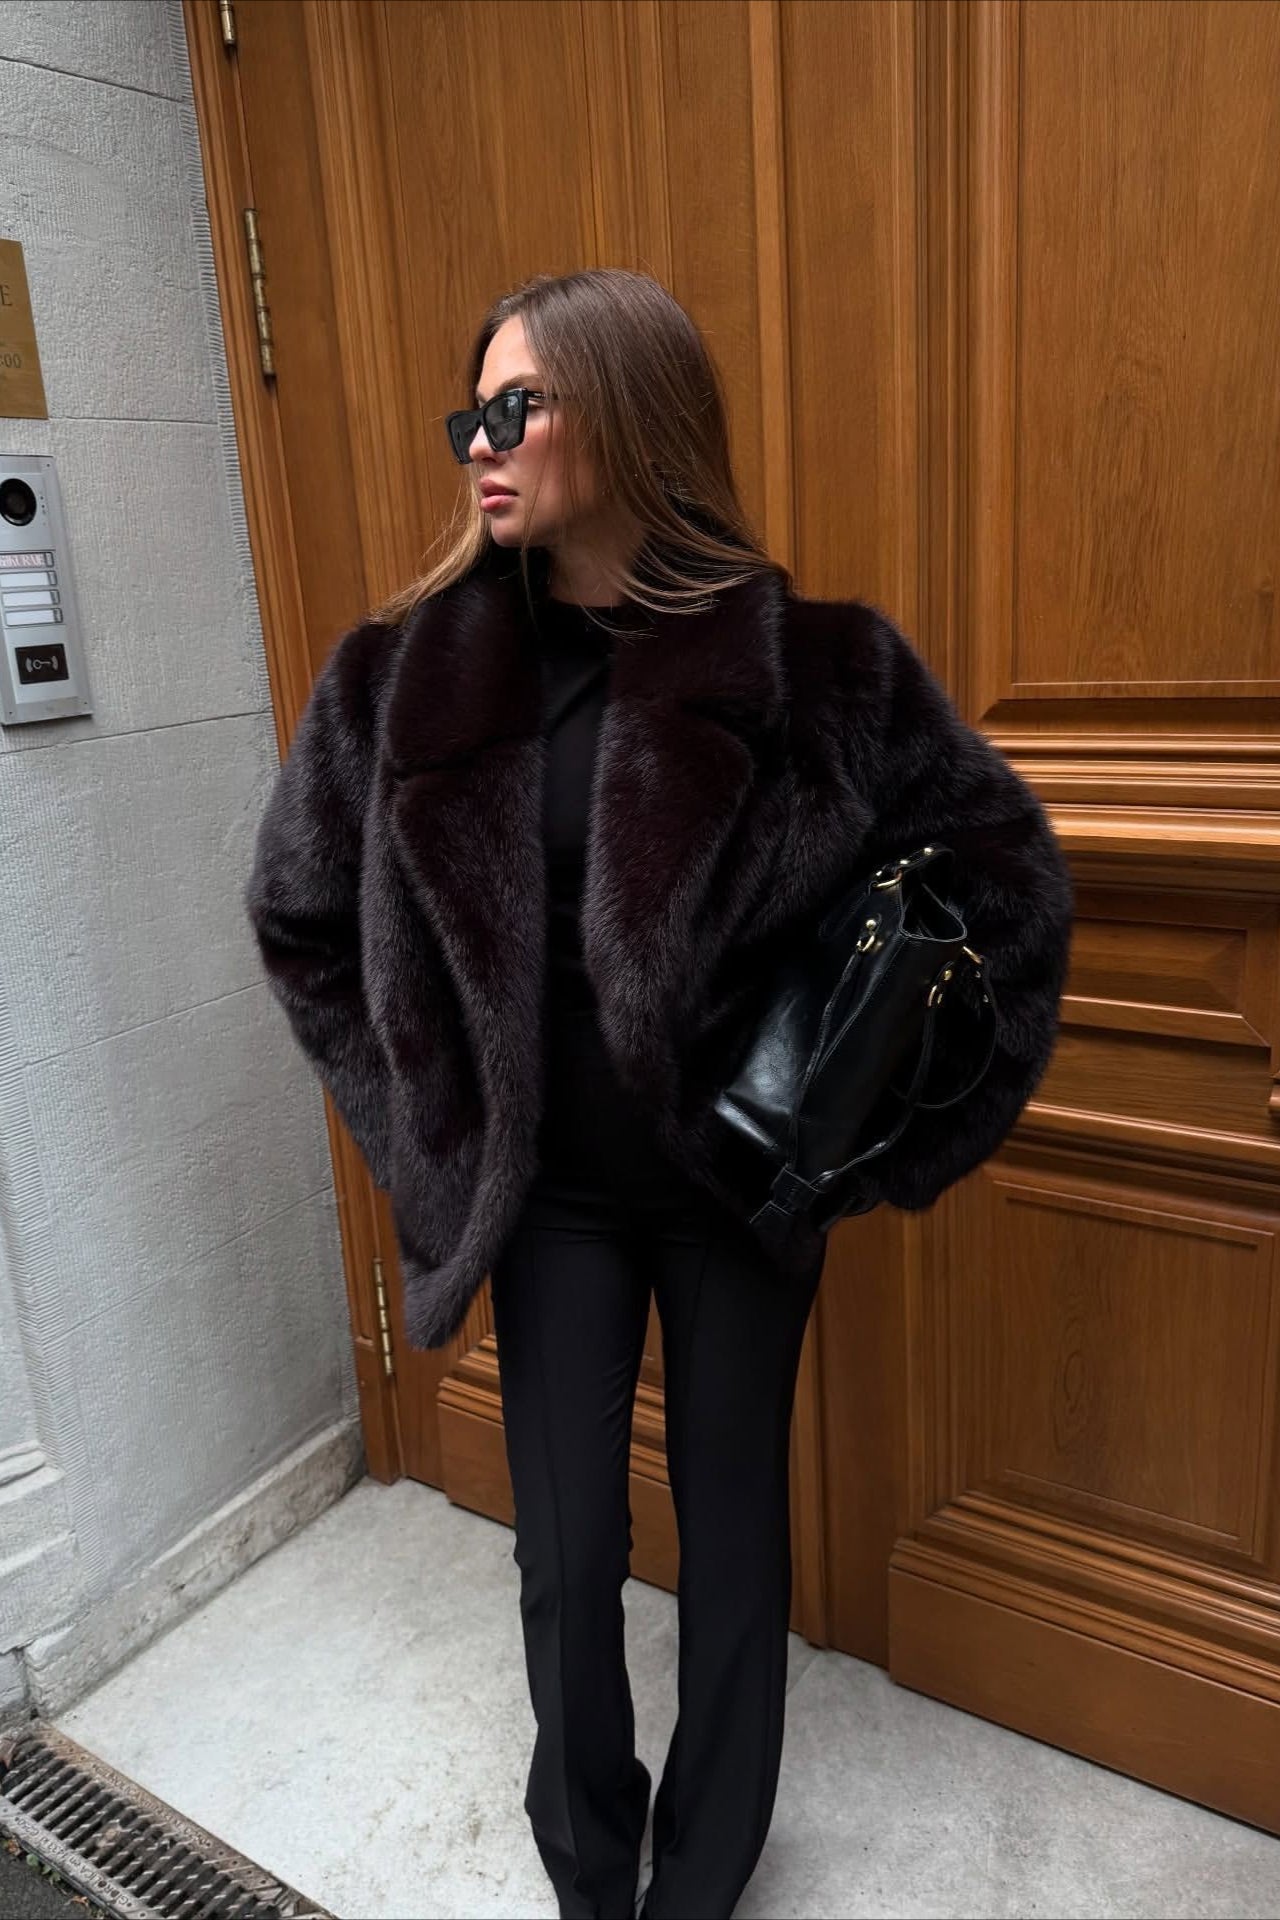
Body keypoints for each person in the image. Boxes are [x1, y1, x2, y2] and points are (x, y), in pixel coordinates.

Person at [244, 268, 1075, 1920]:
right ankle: (589, 1863)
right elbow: (301, 915)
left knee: (734, 1541)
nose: (480, 445)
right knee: (565, 1556)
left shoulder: (821, 669)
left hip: (735, 1186)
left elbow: (1009, 895)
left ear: (631, 412)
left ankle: (702, 1876)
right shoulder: (403, 679)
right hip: (546, 1191)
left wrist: (856, 1142)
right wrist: (427, 1126)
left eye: (519, 406)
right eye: (470, 413)